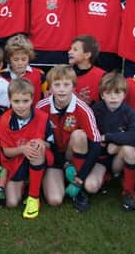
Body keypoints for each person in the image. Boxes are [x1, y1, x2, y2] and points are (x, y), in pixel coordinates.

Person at [36, 65, 101, 212]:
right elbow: (42, 142)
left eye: (66, 84)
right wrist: (65, 165)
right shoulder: (41, 107)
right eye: (57, 85)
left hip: (74, 154)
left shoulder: (82, 108)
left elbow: (96, 145)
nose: (61, 89)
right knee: (55, 200)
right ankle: (56, 179)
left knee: (79, 135)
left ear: (73, 87)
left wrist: (81, 177)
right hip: (54, 158)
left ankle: (77, 186)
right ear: (50, 88)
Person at [0, 79, 53, 219]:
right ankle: (26, 183)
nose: (21, 106)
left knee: (36, 148)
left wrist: (42, 142)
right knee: (11, 202)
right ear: (10, 100)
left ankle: (33, 197)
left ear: (32, 99)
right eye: (16, 101)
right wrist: (22, 149)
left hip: (38, 157)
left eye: (25, 101)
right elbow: (6, 152)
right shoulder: (5, 120)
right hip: (16, 159)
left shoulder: (42, 117)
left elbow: (50, 144)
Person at [91, 72, 135, 211]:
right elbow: (90, 135)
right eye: (108, 93)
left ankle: (129, 191)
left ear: (124, 95)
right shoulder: (96, 110)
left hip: (118, 158)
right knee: (91, 187)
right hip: (100, 158)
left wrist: (109, 137)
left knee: (129, 149)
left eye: (117, 93)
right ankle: (107, 177)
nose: (113, 97)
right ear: (102, 95)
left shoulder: (129, 112)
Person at [1, 34, 45, 106]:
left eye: (24, 59)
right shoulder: (1, 76)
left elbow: (43, 100)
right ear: (9, 58)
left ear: (29, 57)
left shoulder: (39, 74)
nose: (20, 63)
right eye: (15, 59)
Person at [68, 35, 106, 106]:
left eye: (75, 49)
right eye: (70, 49)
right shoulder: (64, 73)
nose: (69, 52)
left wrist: (91, 103)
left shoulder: (102, 76)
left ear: (87, 55)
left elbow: (106, 105)